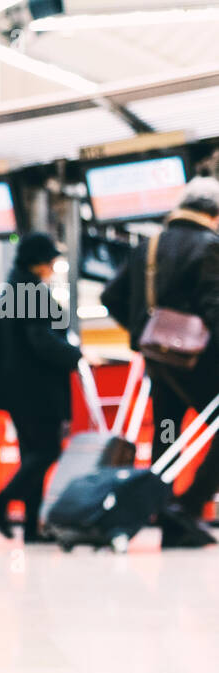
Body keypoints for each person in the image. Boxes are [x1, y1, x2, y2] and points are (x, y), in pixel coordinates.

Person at [103, 177, 219, 548]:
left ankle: (166, 513)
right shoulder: (210, 246)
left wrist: (143, 332)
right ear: (213, 213)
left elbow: (111, 296)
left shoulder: (147, 247)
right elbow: (214, 306)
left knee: (167, 437)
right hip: (201, 364)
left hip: (159, 363)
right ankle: (185, 507)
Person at [0, 233, 99, 544]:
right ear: (40, 261)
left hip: (17, 389)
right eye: (51, 260)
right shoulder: (29, 290)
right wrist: (78, 356)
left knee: (32, 454)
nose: (53, 266)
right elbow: (40, 340)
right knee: (46, 452)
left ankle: (32, 527)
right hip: (36, 390)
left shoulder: (13, 289)